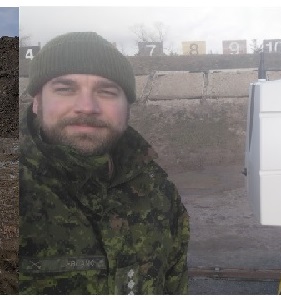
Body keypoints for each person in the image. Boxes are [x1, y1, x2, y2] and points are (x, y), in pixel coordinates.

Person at [17, 32, 189, 294]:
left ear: (127, 107)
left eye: (107, 92)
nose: (87, 107)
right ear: (37, 103)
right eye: (65, 89)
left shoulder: (159, 193)